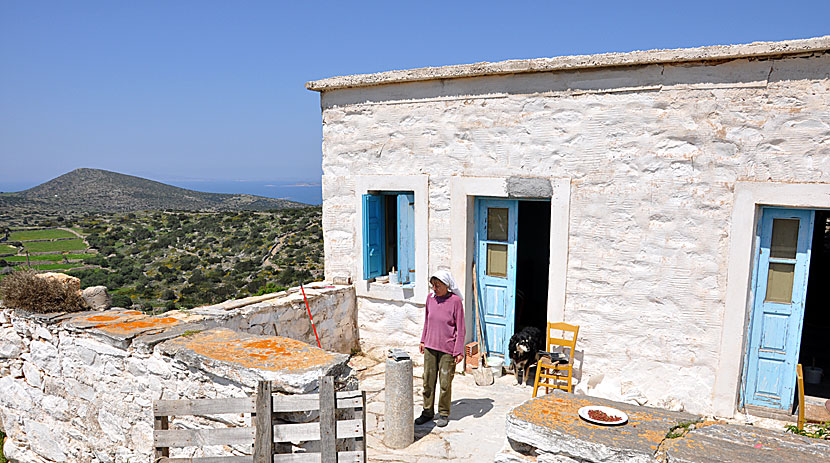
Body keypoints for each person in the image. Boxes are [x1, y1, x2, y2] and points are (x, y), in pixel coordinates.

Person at [415, 270, 466, 428]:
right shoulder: (430, 299)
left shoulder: (455, 301)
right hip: (430, 346)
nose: (434, 289)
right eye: (433, 286)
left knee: (445, 382)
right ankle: (427, 411)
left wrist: (458, 351)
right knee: (428, 381)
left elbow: (461, 328)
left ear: (447, 285)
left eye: (438, 286)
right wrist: (423, 340)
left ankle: (443, 413)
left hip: (447, 349)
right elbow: (427, 322)